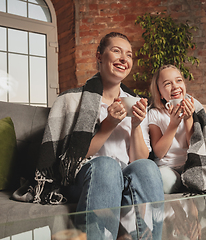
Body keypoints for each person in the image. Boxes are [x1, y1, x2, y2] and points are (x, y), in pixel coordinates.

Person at [18, 32, 165, 239]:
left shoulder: (136, 103)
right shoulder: (71, 101)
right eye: (116, 51)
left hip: (126, 177)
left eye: (129, 55)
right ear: (99, 56)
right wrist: (108, 125)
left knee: (148, 167)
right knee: (107, 166)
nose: (124, 59)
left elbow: (139, 160)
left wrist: (135, 125)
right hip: (90, 178)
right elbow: (72, 159)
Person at [148, 64, 206, 194]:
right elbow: (159, 152)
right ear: (160, 94)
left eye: (178, 80)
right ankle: (190, 184)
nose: (175, 86)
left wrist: (188, 119)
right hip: (168, 168)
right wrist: (173, 124)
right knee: (162, 179)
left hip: (193, 165)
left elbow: (196, 145)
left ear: (184, 86)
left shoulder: (193, 108)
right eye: (167, 84)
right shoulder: (155, 114)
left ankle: (192, 181)